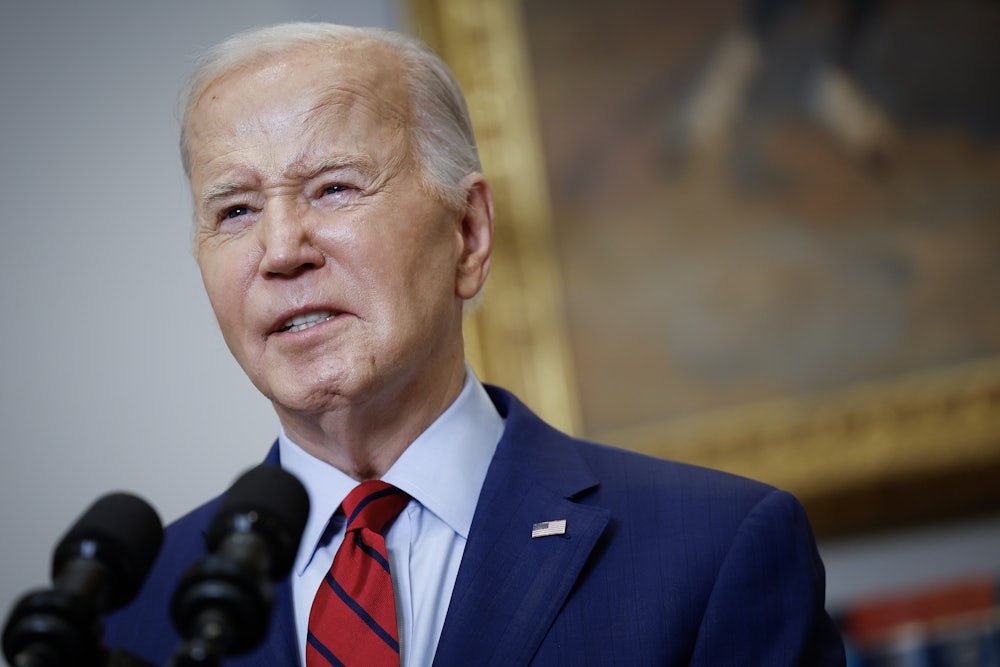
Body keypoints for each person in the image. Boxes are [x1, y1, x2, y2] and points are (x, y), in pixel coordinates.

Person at [102, 22, 846, 666]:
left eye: (333, 188)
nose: (280, 249)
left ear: (468, 233)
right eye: (234, 210)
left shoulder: (714, 552)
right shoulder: (130, 608)